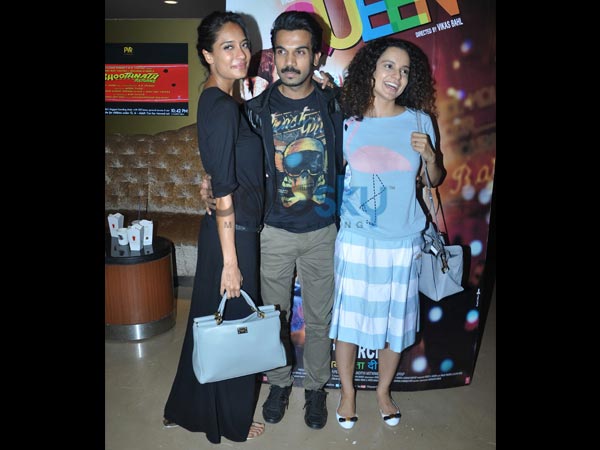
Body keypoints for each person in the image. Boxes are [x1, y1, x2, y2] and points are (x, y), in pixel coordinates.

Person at [328, 37, 445, 430]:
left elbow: (434, 179)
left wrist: (429, 155)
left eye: (405, 71)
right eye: (389, 66)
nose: (397, 76)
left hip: (402, 241)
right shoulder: (348, 122)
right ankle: (347, 393)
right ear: (371, 70)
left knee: (396, 324)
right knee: (348, 323)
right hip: (357, 239)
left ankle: (382, 391)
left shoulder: (420, 121)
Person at [162, 11, 266, 443]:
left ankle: (188, 408)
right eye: (227, 47)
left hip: (228, 232)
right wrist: (231, 262)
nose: (240, 54)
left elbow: (219, 173)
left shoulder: (217, 100)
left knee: (210, 325)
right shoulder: (221, 106)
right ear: (207, 55)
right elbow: (223, 192)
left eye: (243, 44)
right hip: (233, 237)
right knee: (234, 331)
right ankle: (231, 421)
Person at [244, 11, 343, 430]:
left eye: (300, 52)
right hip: (275, 231)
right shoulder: (255, 111)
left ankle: (316, 388)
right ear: (273, 55)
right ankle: (280, 383)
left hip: (323, 231)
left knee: (320, 319)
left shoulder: (334, 104)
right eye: (282, 51)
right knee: (274, 318)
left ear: (316, 56)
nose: (289, 61)